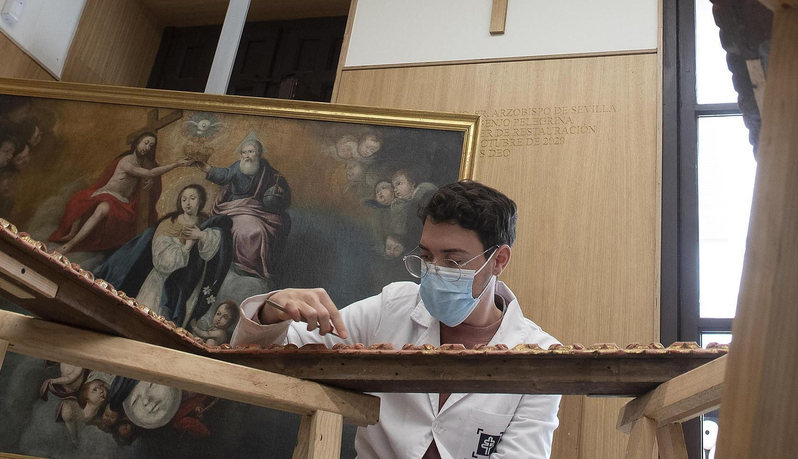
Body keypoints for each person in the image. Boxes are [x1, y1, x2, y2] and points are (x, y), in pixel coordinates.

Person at [232, 181, 559, 458]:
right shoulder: (393, 307)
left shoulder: (540, 357)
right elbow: (258, 361)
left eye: (454, 261)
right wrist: (272, 309)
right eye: (427, 256)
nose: (434, 271)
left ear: (498, 260)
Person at [94, 183, 226, 327]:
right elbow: (161, 258)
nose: (188, 203)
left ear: (200, 200)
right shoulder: (169, 223)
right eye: (184, 199)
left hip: (188, 283)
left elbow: (214, 246)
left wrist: (200, 235)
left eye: (192, 198)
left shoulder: (204, 223)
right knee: (145, 320)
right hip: (161, 282)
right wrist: (186, 247)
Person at [48, 131, 198, 256]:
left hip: (122, 201)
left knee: (103, 210)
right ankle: (70, 243)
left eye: (151, 145)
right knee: (95, 206)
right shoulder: (127, 161)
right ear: (137, 142)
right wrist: (177, 164)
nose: (148, 147)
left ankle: (74, 238)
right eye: (145, 143)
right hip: (108, 194)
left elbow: (148, 175)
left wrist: (151, 180)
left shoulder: (143, 164)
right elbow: (149, 172)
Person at [202, 134, 292, 280]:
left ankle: (254, 268)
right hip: (233, 209)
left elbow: (280, 185)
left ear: (258, 153)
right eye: (244, 152)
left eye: (251, 152)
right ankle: (241, 266)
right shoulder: (237, 168)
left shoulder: (267, 170)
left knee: (268, 228)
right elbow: (224, 174)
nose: (247, 156)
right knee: (249, 231)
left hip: (257, 210)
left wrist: (280, 190)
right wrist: (208, 169)